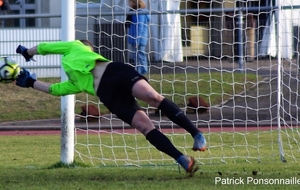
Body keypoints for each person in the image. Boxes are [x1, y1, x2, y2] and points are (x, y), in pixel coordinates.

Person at [15, 39, 207, 175]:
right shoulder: (75, 76)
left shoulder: (77, 47)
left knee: (153, 97)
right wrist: (31, 82)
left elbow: (44, 48)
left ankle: (197, 134)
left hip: (115, 73)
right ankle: (182, 159)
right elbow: (56, 88)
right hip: (108, 96)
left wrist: (27, 52)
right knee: (144, 126)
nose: (87, 46)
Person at [126, 0, 150, 75]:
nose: (129, 4)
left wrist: (137, 40)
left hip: (139, 39)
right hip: (135, 38)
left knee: (140, 56)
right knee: (136, 56)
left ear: (134, 3)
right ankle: (138, 72)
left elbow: (139, 27)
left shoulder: (140, 13)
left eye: (130, 2)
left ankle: (142, 72)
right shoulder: (134, 12)